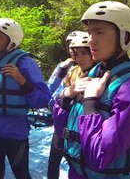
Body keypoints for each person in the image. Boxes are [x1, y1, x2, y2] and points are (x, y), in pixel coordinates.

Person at [54, 1, 130, 178]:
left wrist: (90, 102)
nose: (91, 40)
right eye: (90, 32)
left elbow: (99, 156)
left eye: (99, 32)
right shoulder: (96, 72)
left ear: (126, 38)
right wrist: (66, 96)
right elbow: (62, 130)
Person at [0, 18, 50, 179]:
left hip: (15, 134)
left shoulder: (25, 63)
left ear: (12, 44)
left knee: (21, 175)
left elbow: (43, 100)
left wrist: (22, 80)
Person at [46, 30, 86, 179]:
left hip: (77, 123)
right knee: (54, 160)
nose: (72, 49)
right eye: (69, 45)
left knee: (76, 162)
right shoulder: (66, 68)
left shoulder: (96, 69)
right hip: (62, 121)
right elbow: (50, 91)